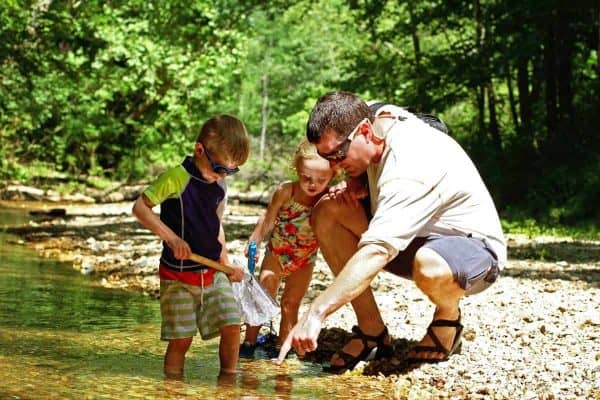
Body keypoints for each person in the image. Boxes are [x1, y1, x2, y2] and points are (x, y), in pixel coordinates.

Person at [277, 91, 506, 373]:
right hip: (411, 238)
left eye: (338, 155)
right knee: (327, 211)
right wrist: (357, 177)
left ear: (363, 131)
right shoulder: (375, 118)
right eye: (327, 158)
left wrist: (317, 312)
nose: (335, 167)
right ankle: (372, 330)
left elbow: (377, 250)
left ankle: (448, 316)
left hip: (471, 252)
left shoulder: (407, 165)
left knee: (429, 265)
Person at [132, 114, 249, 379]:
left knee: (232, 324)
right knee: (181, 340)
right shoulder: (176, 178)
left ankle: (228, 383)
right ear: (199, 150)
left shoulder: (219, 185)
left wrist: (226, 263)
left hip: (213, 271)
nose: (224, 175)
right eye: (221, 168)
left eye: (232, 171)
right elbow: (140, 208)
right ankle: (172, 388)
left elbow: (215, 224)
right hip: (178, 275)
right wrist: (171, 238)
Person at [239, 140, 335, 358]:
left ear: (332, 176)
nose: (313, 184)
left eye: (321, 179)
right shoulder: (286, 191)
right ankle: (249, 343)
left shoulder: (328, 198)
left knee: (291, 303)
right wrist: (255, 238)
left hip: (305, 259)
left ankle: (283, 349)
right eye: (306, 177)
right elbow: (268, 217)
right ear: (297, 170)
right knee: (263, 293)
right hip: (277, 252)